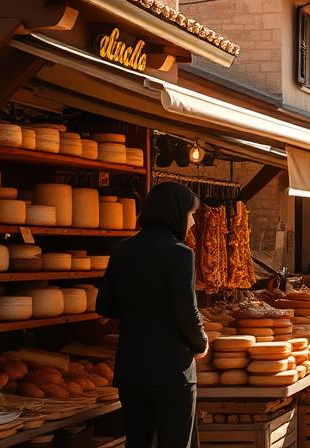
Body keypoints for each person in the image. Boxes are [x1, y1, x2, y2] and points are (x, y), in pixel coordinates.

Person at [97, 182, 206, 448]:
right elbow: (186, 311)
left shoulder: (122, 250)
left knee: (137, 443)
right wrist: (201, 343)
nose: (192, 223)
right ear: (176, 214)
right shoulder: (180, 254)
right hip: (172, 372)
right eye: (191, 215)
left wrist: (139, 310)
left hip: (132, 370)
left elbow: (104, 306)